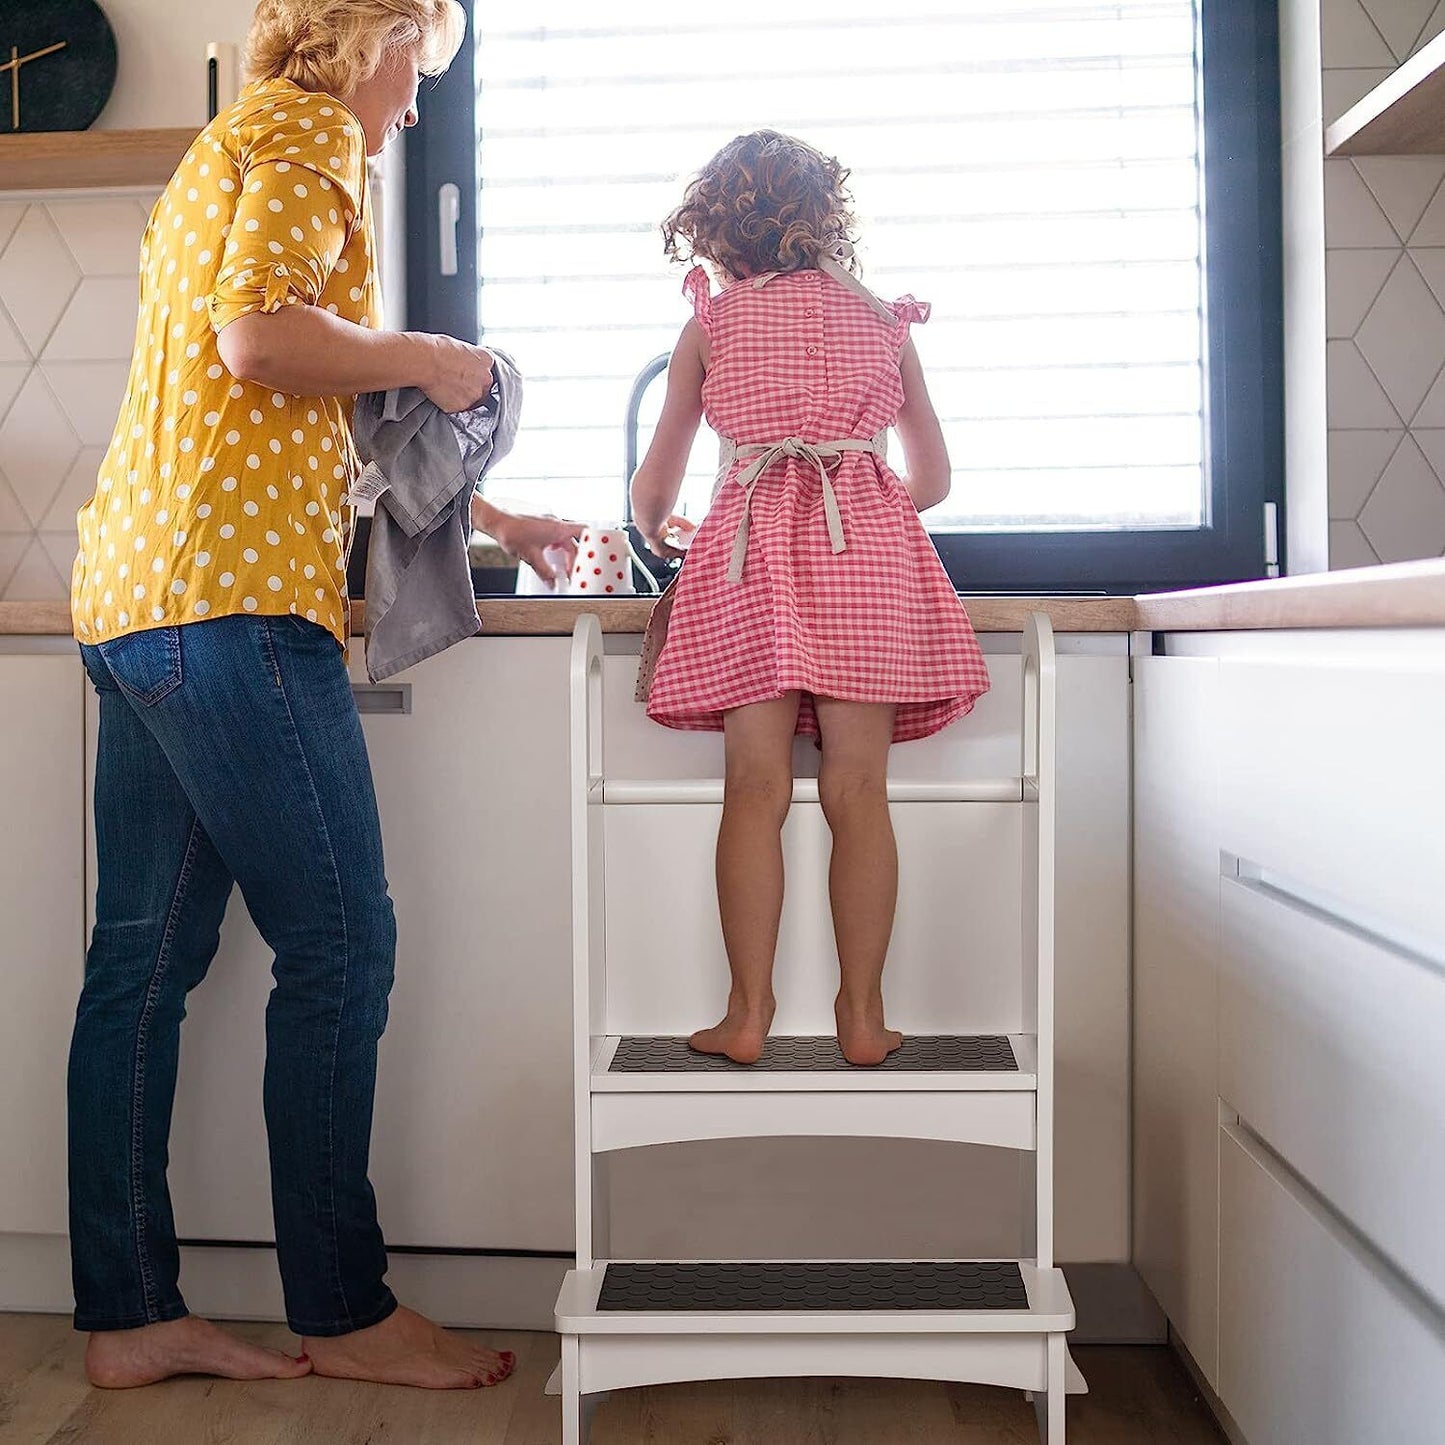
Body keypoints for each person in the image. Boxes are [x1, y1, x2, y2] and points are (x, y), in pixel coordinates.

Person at [67, 0, 574, 1393]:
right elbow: (261, 342)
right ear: (378, 37)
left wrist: (503, 519)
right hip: (228, 611)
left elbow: (306, 425)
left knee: (143, 968)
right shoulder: (304, 129)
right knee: (342, 945)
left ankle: (127, 1314)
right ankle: (344, 1308)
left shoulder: (225, 148)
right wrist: (429, 352)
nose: (416, 103)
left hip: (138, 602)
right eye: (422, 67)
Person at [630, 130, 992, 1068]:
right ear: (825, 219)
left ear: (713, 229)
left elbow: (652, 489)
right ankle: (863, 1021)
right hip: (864, 561)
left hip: (750, 563)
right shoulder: (880, 319)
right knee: (859, 793)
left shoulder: (712, 324)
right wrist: (866, 510)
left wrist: (668, 524)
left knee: (752, 792)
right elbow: (936, 478)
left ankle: (745, 1016)